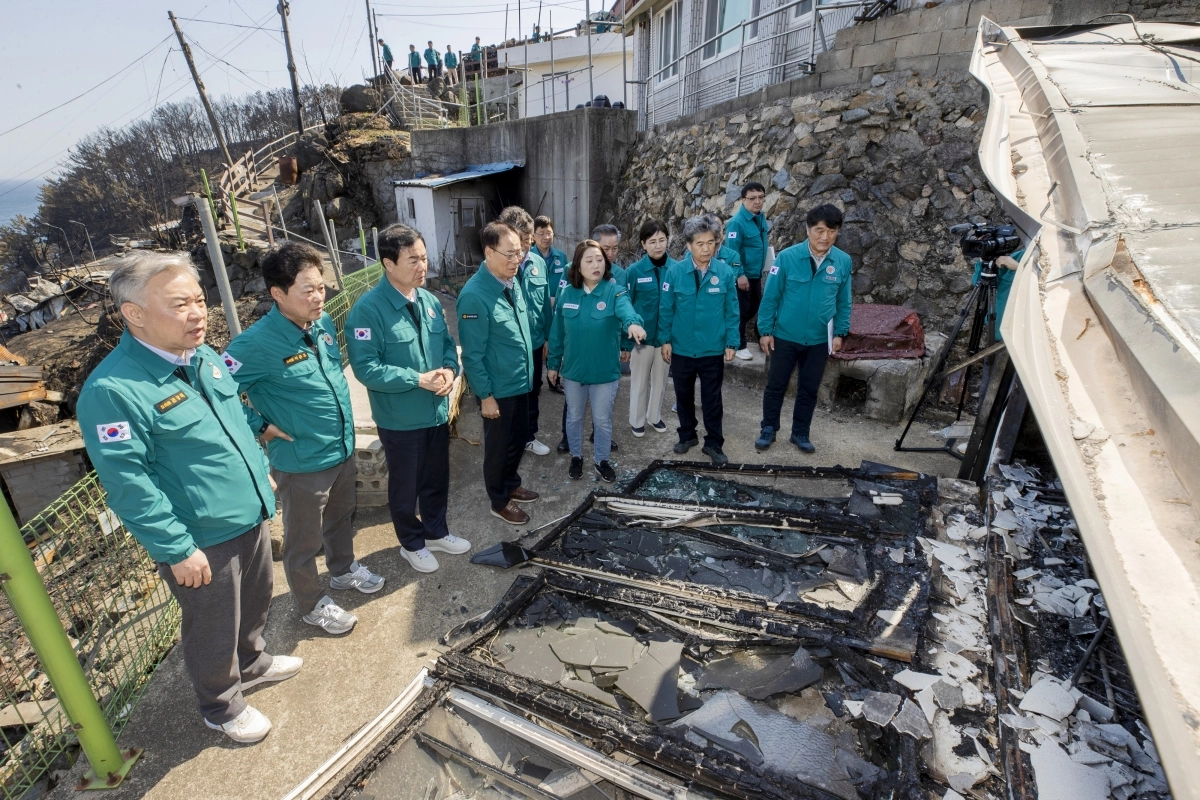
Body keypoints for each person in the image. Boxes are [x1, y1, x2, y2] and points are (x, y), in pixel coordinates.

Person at [78, 252, 298, 744]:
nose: (197, 313)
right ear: (134, 313)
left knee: (257, 601)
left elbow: (238, 421)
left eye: (199, 300)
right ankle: (220, 706)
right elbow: (127, 483)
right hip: (201, 538)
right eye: (180, 305)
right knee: (212, 625)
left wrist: (262, 474)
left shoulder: (203, 358)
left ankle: (255, 662)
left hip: (250, 513)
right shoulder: (113, 390)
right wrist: (175, 548)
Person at [224, 242, 379, 637]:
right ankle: (312, 603)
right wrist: (259, 425)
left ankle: (343, 571)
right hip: (301, 462)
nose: (318, 296)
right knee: (303, 541)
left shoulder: (322, 323)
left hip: (341, 449)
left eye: (321, 287)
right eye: (307, 289)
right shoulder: (253, 345)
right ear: (278, 294)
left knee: (342, 517)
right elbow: (217, 397)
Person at [346, 224, 470, 572]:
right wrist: (417, 379)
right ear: (388, 263)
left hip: (435, 412)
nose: (423, 266)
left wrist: (448, 370)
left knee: (436, 477)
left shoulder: (429, 301)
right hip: (400, 418)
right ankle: (411, 543)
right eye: (413, 260)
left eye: (424, 258)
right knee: (405, 487)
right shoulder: (368, 310)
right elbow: (367, 368)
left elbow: (446, 345)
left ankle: (435, 531)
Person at [458, 221, 539, 525]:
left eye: (519, 253)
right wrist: (485, 396)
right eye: (509, 254)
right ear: (489, 253)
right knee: (498, 447)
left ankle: (511, 483)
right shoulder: (475, 296)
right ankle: (499, 499)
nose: (516, 260)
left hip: (520, 381)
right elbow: (473, 354)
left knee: (518, 439)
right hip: (498, 389)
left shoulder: (511, 281)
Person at [755, 204, 852, 455]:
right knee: (776, 385)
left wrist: (840, 333)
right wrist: (765, 330)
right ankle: (768, 429)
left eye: (831, 231)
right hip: (785, 336)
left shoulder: (842, 261)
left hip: (819, 339)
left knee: (809, 389)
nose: (824, 237)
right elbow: (771, 297)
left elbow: (844, 301)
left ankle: (800, 433)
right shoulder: (786, 258)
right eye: (819, 230)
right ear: (808, 229)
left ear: (837, 232)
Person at [548, 241, 646, 482]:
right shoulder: (567, 293)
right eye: (589, 260)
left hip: (604, 373)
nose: (596, 265)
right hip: (573, 372)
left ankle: (601, 460)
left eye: (600, 260)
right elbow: (557, 332)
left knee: (602, 420)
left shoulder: (614, 291)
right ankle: (576, 457)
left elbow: (626, 311)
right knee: (574, 417)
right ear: (577, 266)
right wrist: (552, 364)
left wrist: (633, 323)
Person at [659, 216, 739, 465]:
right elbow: (666, 309)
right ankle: (687, 436)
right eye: (700, 243)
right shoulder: (675, 272)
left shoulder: (725, 272)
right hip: (682, 348)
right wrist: (665, 340)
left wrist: (731, 342)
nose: (706, 249)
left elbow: (732, 310)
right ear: (689, 245)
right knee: (683, 395)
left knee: (712, 399)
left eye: (711, 243)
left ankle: (714, 443)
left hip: (712, 349)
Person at [497, 206, 552, 457]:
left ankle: (529, 436)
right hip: (507, 348)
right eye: (522, 243)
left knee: (533, 391)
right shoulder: (496, 269)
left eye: (529, 243)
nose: (525, 250)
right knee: (509, 397)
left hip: (535, 342)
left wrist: (549, 338)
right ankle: (507, 440)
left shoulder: (538, 263)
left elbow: (544, 307)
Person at [623, 220, 674, 437]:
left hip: (665, 339)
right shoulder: (634, 271)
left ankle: (654, 417)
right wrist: (625, 342)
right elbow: (626, 305)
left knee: (660, 381)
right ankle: (636, 420)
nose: (658, 245)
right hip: (641, 340)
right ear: (643, 244)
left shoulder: (676, 268)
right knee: (639, 381)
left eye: (662, 240)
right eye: (652, 241)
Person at [725, 182, 771, 361]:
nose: (757, 202)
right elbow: (732, 252)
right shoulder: (736, 223)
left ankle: (760, 339)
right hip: (743, 276)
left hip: (756, 273)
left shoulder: (760, 218)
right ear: (743, 200)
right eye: (752, 198)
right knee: (741, 310)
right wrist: (739, 275)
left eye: (761, 197)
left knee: (755, 307)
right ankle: (738, 345)